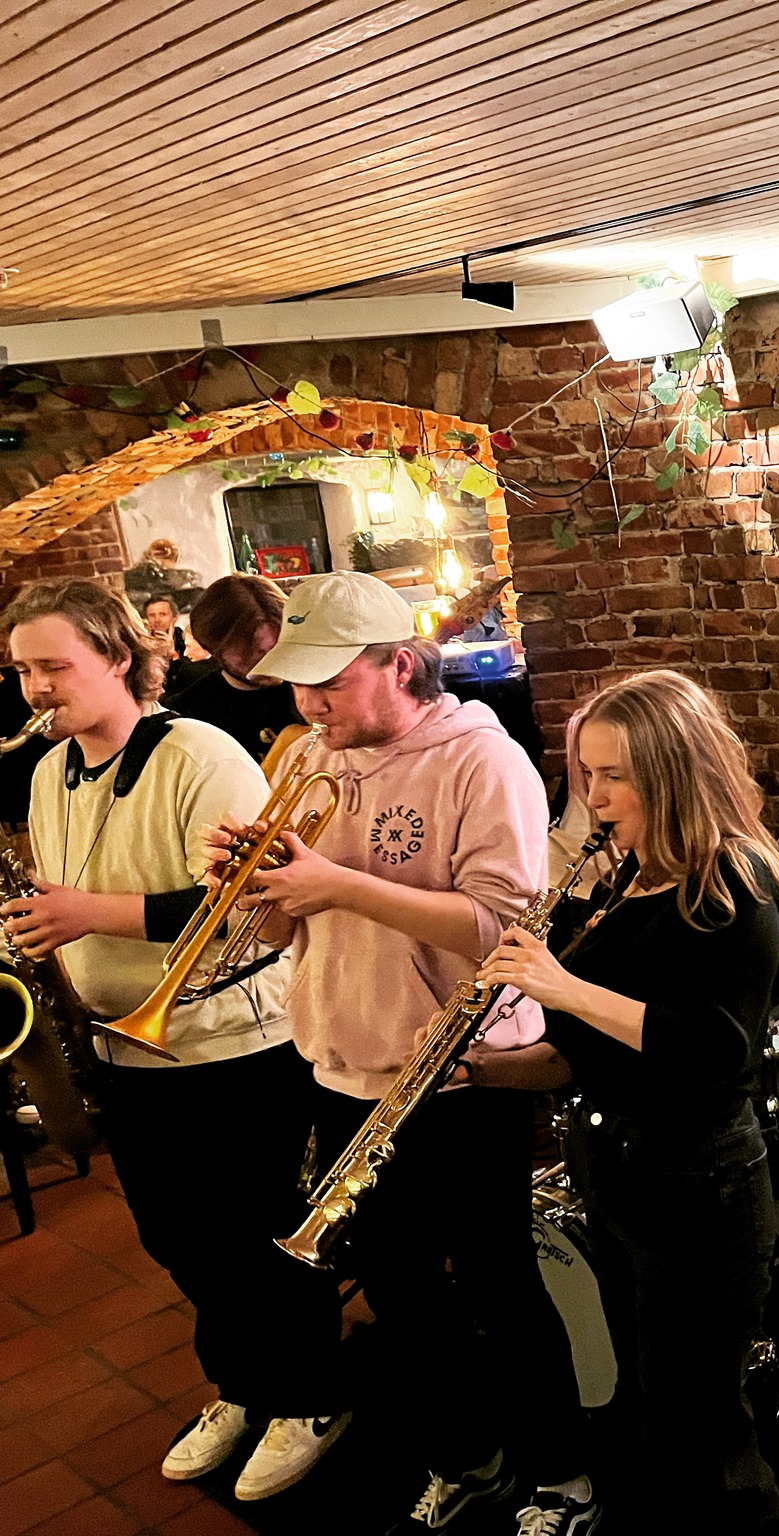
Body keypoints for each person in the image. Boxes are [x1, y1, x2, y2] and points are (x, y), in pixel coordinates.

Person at [223, 570, 598, 1534]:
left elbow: (506, 925)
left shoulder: (485, 760)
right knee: (402, 1297)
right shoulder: (305, 754)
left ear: (398, 664)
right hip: (345, 1059)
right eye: (295, 683)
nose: (307, 705)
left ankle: (563, 1475)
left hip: (463, 1071)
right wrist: (251, 890)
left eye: (330, 682)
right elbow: (276, 934)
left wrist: (334, 883)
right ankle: (466, 1454)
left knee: (500, 1287)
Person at [0, 579, 347, 1500]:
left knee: (259, 1233)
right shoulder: (48, 771)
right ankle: (243, 1385)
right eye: (24, 669)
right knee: (177, 1236)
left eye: (54, 667)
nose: (35, 687)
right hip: (128, 1045)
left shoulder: (200, 752)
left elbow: (249, 899)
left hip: (233, 1044)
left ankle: (309, 1394)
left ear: (119, 656)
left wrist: (85, 914)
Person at [475, 671, 779, 1535]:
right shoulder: (627, 879)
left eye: (614, 775)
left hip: (700, 1188)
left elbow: (710, 1049)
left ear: (672, 770)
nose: (593, 795)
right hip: (620, 1174)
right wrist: (476, 1071)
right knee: (658, 1413)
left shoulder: (733, 885)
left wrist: (561, 986)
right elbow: (588, 1056)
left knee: (706, 1438)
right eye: (585, 772)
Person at [164, 574, 305, 765]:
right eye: (252, 651)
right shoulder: (188, 715)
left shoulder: (313, 685)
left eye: (280, 645)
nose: (272, 661)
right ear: (212, 648)